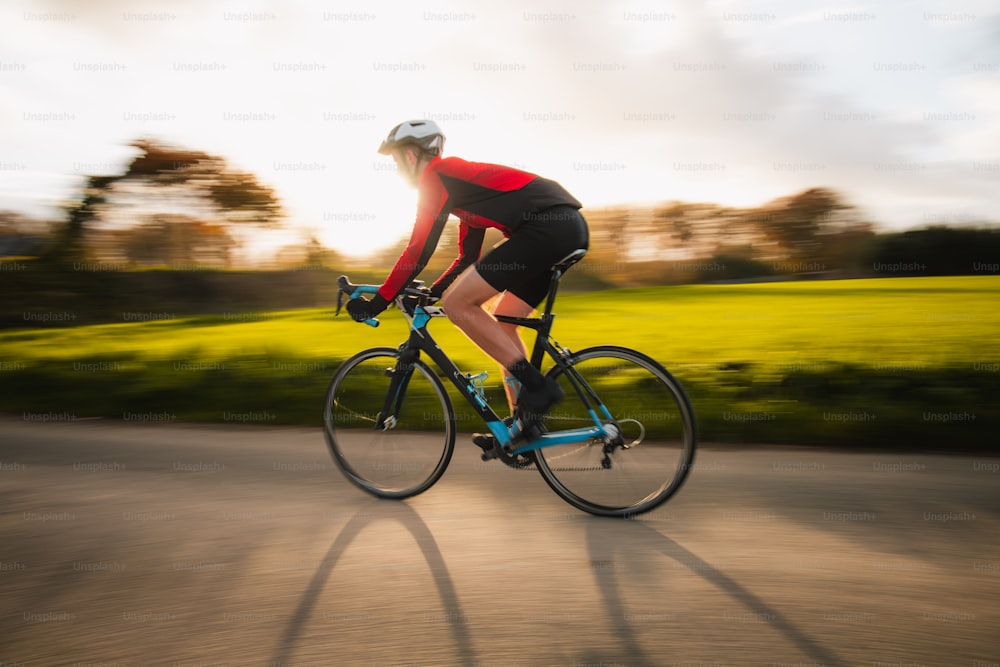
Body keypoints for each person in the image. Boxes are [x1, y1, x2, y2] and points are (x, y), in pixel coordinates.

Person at [346, 119, 589, 439]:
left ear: (409, 155)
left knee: (458, 305)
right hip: (565, 229)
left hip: (546, 229)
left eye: (395, 160)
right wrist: (433, 292)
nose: (397, 169)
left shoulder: (436, 176)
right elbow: (467, 258)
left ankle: (538, 387)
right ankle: (524, 426)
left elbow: (418, 250)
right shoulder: (462, 188)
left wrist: (377, 303)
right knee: (504, 322)